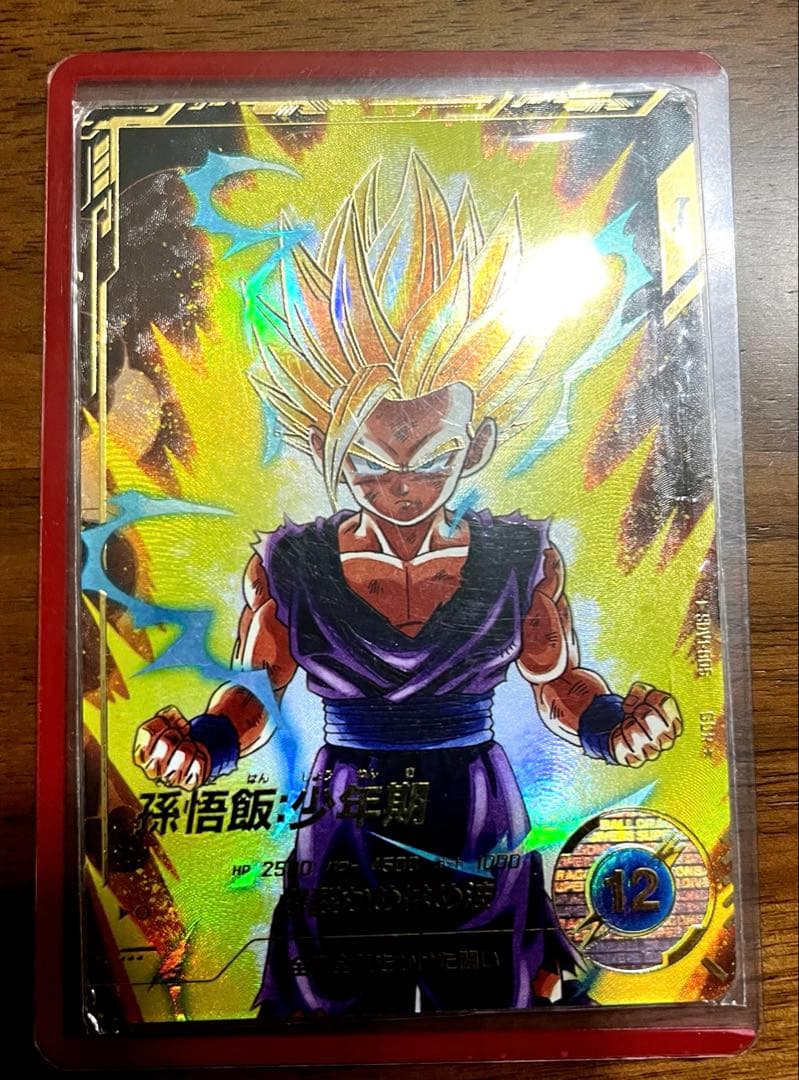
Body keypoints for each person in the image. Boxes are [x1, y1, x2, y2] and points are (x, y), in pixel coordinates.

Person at [133, 153, 683, 1016]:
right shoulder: (291, 562)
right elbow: (257, 687)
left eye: (430, 460)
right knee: (329, 1021)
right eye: (368, 462)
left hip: (476, 813)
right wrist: (202, 743)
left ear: (476, 445)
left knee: (496, 1014)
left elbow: (554, 683)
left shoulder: (516, 556)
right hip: (346, 815)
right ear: (327, 447)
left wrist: (613, 724)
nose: (400, 487)